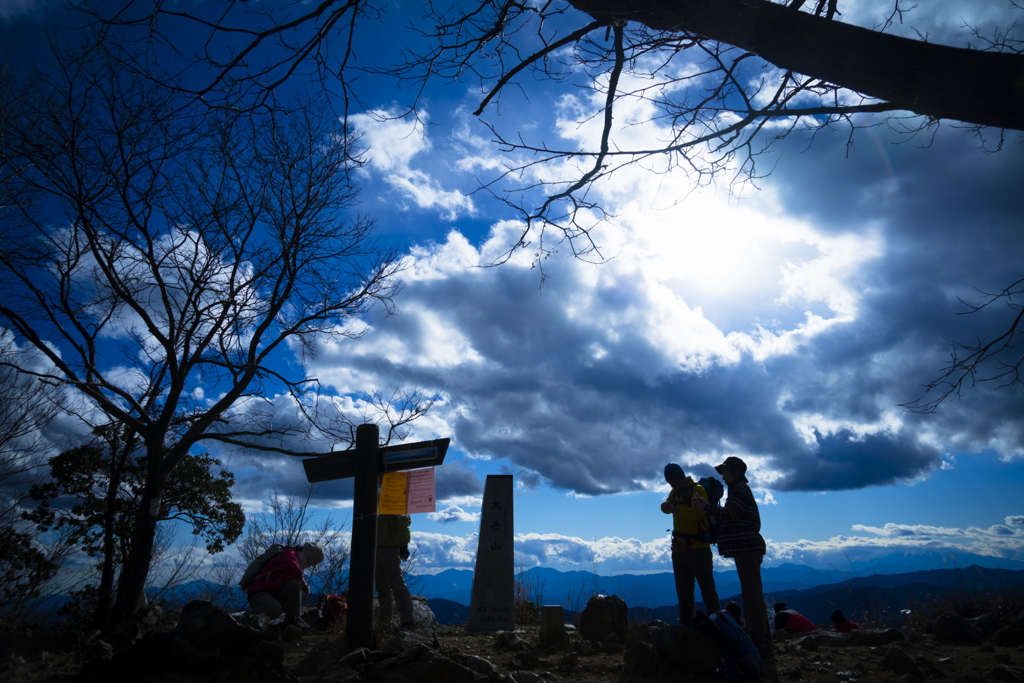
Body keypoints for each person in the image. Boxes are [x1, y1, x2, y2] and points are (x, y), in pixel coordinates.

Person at [695, 456, 772, 659]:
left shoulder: (739, 489)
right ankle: (759, 635)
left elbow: (732, 514)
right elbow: (731, 515)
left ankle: (760, 639)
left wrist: (707, 508)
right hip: (746, 548)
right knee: (751, 592)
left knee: (752, 594)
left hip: (747, 548)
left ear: (735, 473)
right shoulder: (736, 490)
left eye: (725, 471)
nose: (722, 475)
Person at [661, 462, 720, 625]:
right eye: (668, 482)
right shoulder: (675, 492)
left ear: (679, 477)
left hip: (698, 548)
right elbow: (665, 507)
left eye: (671, 481)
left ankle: (719, 625)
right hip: (680, 548)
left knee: (707, 590)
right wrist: (666, 506)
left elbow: (697, 515)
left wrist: (676, 509)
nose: (670, 484)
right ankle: (686, 626)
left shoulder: (697, 490)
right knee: (684, 591)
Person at [247, 542, 325, 629]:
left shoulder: (292, 556)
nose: (309, 566)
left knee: (294, 585)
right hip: (259, 594)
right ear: (306, 556)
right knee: (275, 609)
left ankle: (291, 622)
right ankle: (245, 618)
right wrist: (303, 583)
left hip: (273, 595)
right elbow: (290, 563)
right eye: (310, 563)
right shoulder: (289, 554)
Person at [376, 511, 415, 631]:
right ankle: (385, 624)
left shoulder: (394, 496)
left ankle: (407, 621)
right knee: (382, 587)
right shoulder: (375, 497)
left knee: (396, 584)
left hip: (390, 546)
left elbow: (403, 520)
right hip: (374, 545)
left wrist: (403, 544)